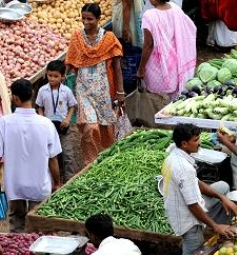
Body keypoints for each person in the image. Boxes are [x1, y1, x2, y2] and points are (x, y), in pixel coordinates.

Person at [0, 79, 62, 233]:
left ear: (15, 98)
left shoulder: (5, 123)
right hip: (40, 184)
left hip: (15, 185)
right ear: (32, 94)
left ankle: (18, 254)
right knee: (40, 226)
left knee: (16, 224)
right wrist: (57, 182)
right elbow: (52, 158)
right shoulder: (46, 124)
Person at [163, 123, 237, 255]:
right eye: (196, 140)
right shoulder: (183, 168)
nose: (199, 143)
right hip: (186, 218)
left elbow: (196, 182)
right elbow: (192, 205)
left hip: (181, 206)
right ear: (184, 144)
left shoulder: (174, 154)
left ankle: (218, 232)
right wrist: (215, 226)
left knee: (222, 187)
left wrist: (222, 198)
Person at [65, 3, 126, 166]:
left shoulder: (109, 39)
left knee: (107, 128)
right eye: (83, 18)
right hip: (84, 91)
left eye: (90, 19)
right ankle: (90, 162)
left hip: (105, 92)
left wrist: (120, 91)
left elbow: (117, 67)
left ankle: (108, 159)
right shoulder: (77, 38)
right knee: (91, 128)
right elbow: (69, 64)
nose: (85, 22)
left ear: (98, 19)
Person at [136, 0, 197, 99]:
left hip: (156, 67)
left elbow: (148, 45)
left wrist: (141, 69)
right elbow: (190, 28)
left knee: (158, 100)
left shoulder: (149, 16)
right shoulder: (175, 8)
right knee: (172, 97)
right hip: (174, 64)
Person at [37, 60, 79, 183]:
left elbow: (72, 106)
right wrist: (42, 119)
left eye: (56, 76)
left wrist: (67, 119)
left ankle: (70, 179)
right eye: (50, 75)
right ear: (46, 74)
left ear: (62, 77)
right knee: (51, 154)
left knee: (68, 154)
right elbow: (40, 107)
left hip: (63, 126)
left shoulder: (66, 91)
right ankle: (52, 180)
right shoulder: (42, 90)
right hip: (49, 127)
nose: (52, 79)